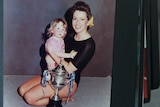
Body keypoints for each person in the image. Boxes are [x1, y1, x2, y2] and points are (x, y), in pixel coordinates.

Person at [17, 1, 95, 106]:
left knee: (29, 97)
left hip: (68, 81)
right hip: (53, 74)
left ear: (88, 21)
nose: (77, 23)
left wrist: (51, 52)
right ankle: (58, 95)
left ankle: (63, 97)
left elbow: (68, 68)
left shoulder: (88, 45)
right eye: (75, 18)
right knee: (22, 90)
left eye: (82, 19)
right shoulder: (70, 35)